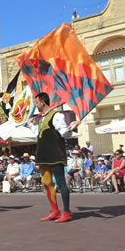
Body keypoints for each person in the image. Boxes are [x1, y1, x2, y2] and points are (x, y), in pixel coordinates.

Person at [29, 93, 78, 223]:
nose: (36, 105)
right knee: (46, 183)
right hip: (43, 155)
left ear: (43, 102)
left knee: (61, 183)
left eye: (37, 103)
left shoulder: (57, 115)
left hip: (55, 153)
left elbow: (65, 134)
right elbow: (37, 135)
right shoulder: (41, 118)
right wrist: (31, 125)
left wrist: (71, 127)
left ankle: (66, 212)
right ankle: (55, 211)